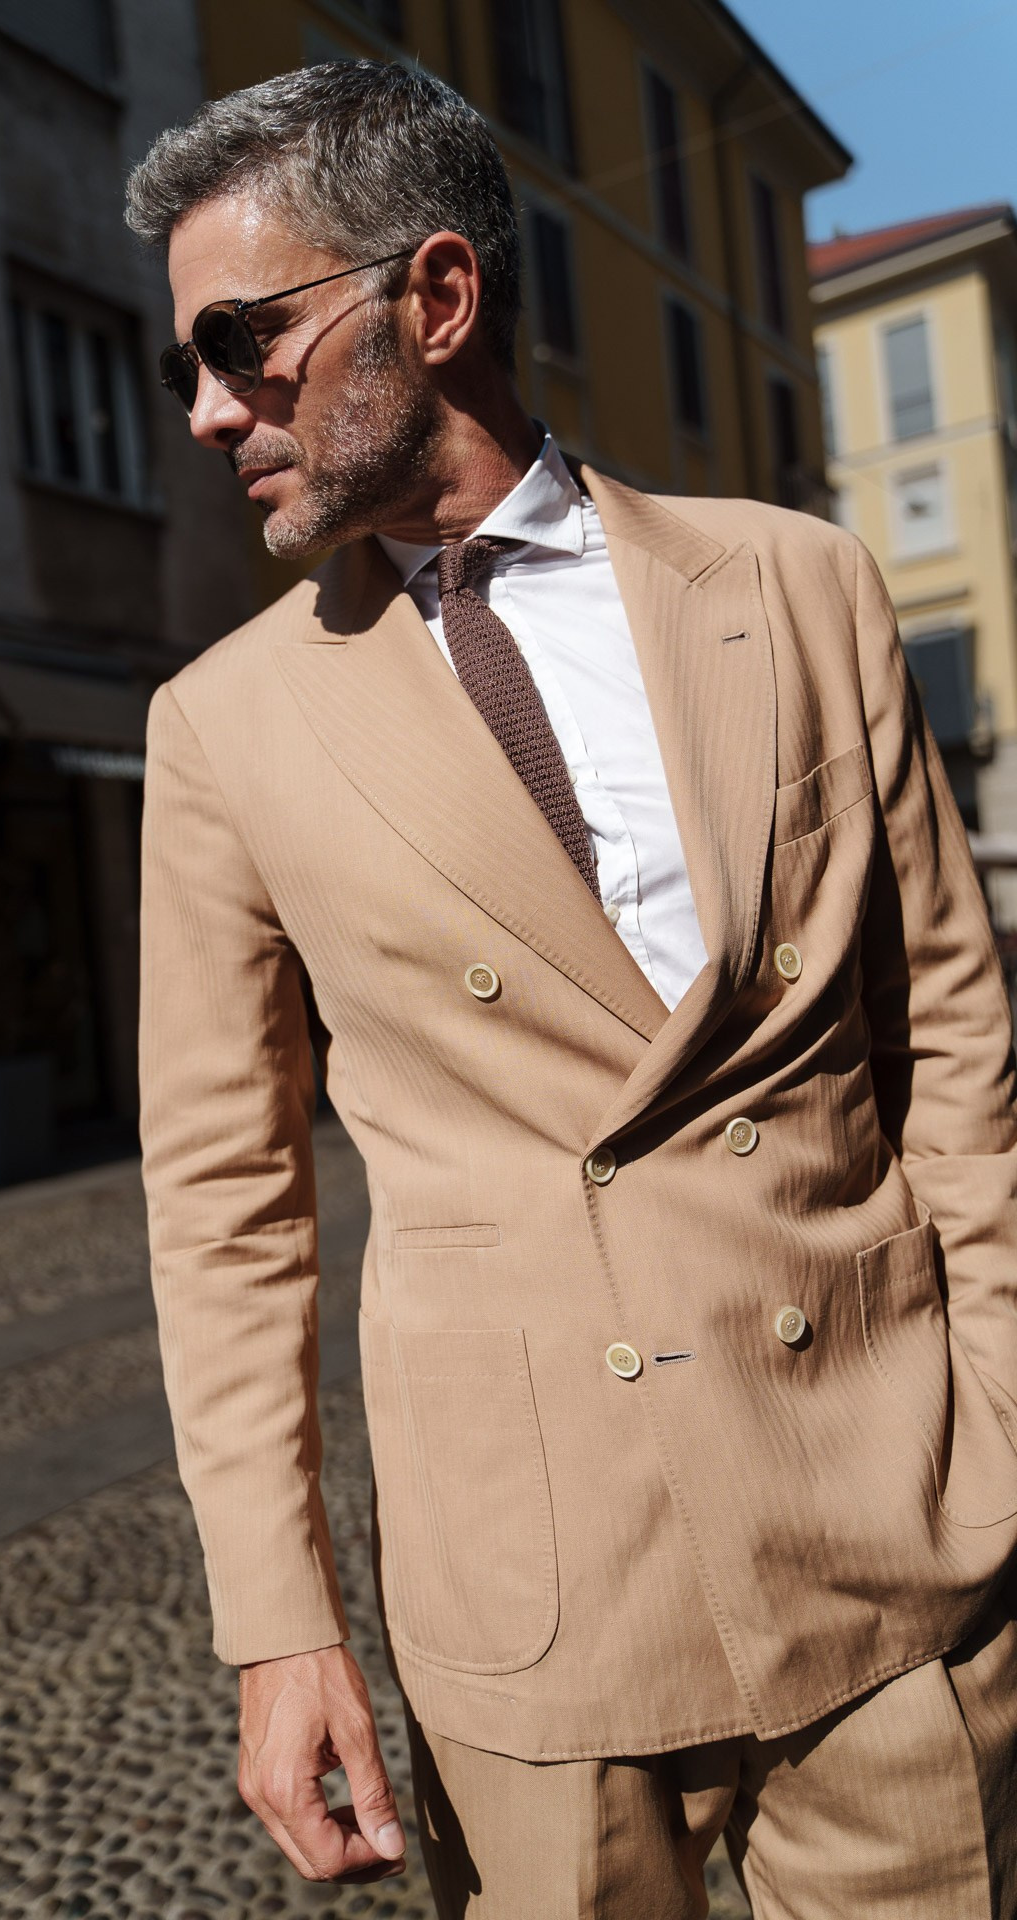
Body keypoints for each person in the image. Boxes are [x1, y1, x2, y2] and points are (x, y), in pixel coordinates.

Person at [126, 60, 1017, 1917]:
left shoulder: (800, 584)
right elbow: (226, 1211)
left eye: (243, 341)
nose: (211, 412)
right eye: (179, 366)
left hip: (890, 1533)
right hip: (535, 1606)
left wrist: (997, 1433)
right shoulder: (220, 728)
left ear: (435, 301)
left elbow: (952, 1040)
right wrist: (279, 1631)